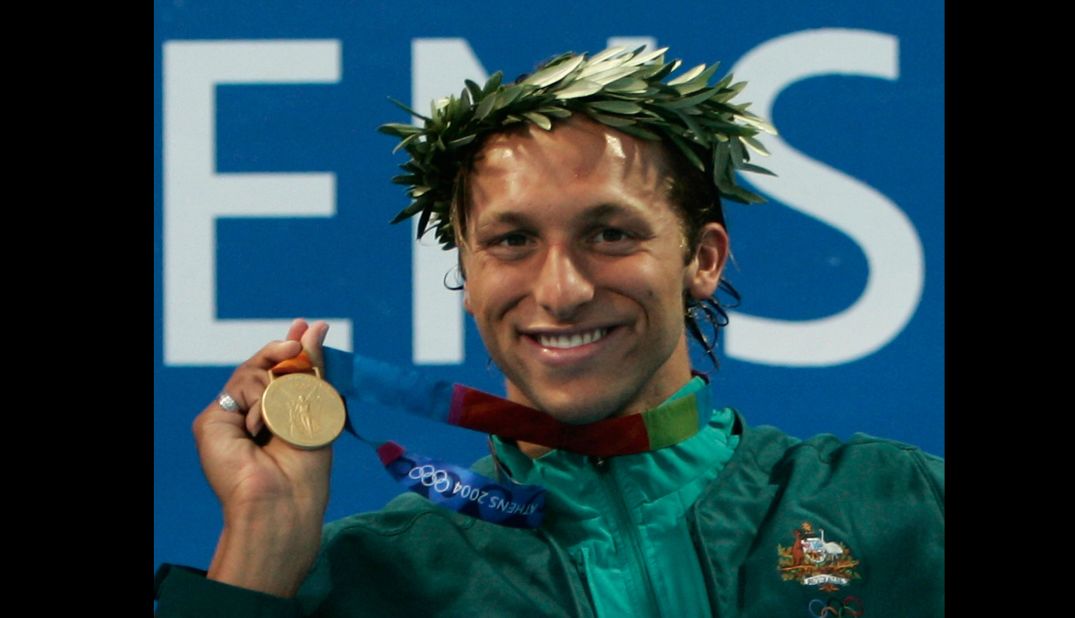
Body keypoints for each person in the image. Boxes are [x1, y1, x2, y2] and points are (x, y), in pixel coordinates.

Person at [154, 45, 944, 617]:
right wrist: (260, 543)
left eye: (610, 234)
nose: (560, 290)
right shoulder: (374, 580)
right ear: (467, 273)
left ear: (700, 259)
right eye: (512, 241)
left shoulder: (896, 507)